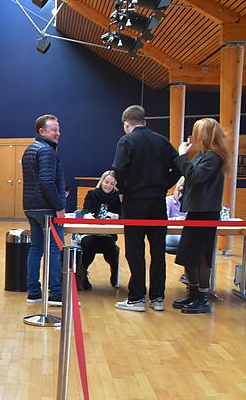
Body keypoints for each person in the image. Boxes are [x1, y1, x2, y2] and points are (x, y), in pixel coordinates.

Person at [111, 105, 180, 312]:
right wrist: (164, 185)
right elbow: (178, 167)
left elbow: (119, 169)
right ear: (145, 121)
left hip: (134, 202)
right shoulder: (162, 141)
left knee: (135, 250)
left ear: (126, 123)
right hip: (158, 202)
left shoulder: (126, 141)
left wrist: (123, 190)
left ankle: (136, 298)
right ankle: (157, 298)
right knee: (158, 251)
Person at [171, 119, 228, 314]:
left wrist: (182, 156)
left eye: (197, 132)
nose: (193, 136)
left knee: (201, 256)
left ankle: (202, 296)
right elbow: (192, 177)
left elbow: (195, 176)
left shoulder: (214, 157)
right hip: (195, 211)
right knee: (188, 254)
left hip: (206, 212)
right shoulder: (202, 156)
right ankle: (193, 292)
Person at [21, 114, 66, 307]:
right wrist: (60, 207)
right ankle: (55, 293)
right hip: (47, 208)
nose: (58, 133)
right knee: (55, 249)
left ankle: (33, 292)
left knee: (36, 248)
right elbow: (47, 182)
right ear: (42, 131)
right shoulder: (47, 151)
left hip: (31, 206)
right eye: (54, 129)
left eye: (58, 129)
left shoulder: (30, 149)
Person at [77, 170, 121, 290]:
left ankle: (114, 269)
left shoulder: (117, 197)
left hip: (107, 234)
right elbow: (85, 210)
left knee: (109, 246)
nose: (108, 186)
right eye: (106, 182)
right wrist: (88, 215)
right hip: (90, 232)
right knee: (89, 243)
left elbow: (122, 215)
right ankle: (83, 273)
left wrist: (117, 216)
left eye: (112, 184)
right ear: (102, 181)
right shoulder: (92, 194)